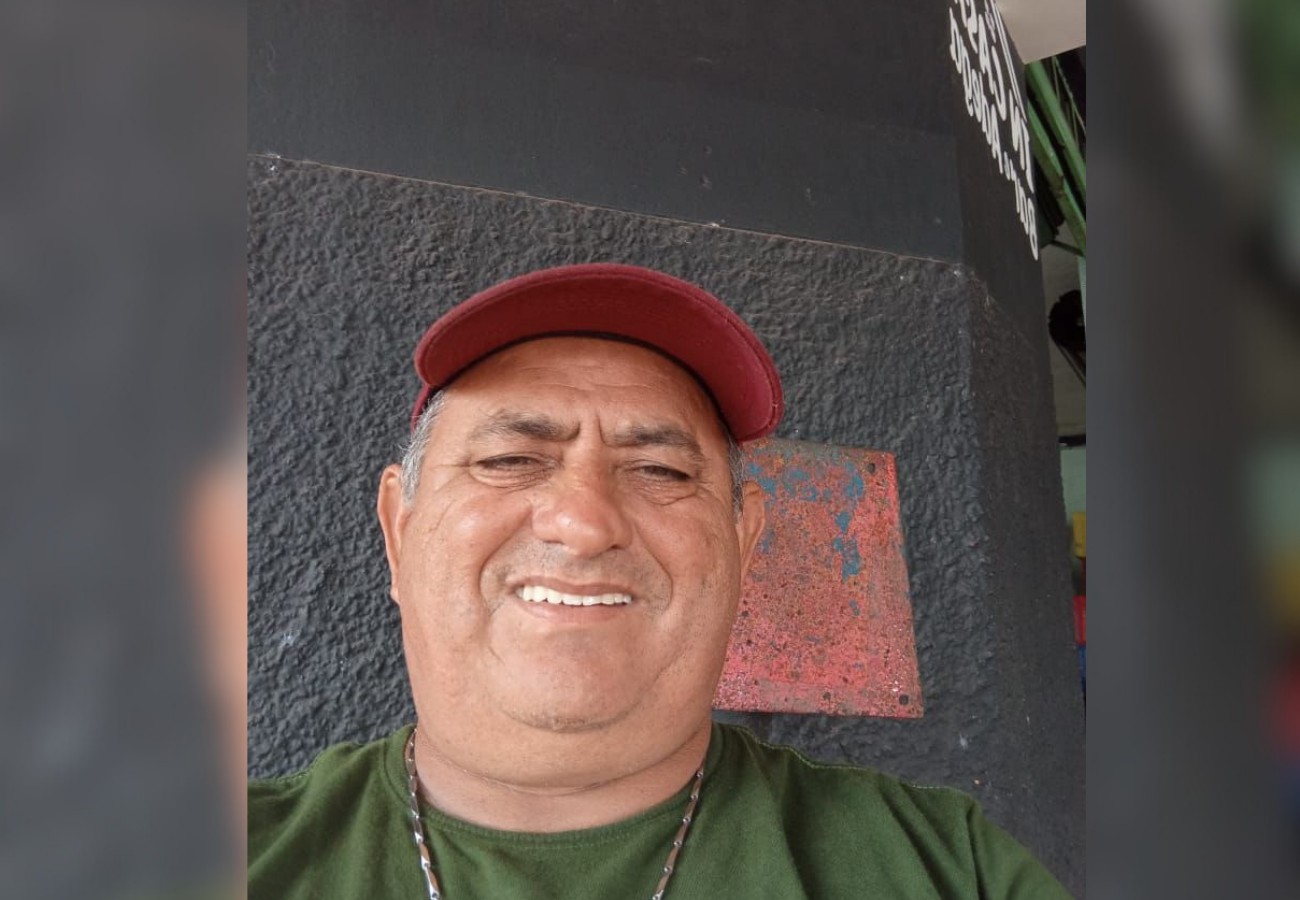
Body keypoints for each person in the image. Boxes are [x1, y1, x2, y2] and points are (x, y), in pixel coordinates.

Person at [248, 263, 1071, 899]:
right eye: (511, 459)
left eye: (660, 470)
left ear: (743, 543)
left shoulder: (947, 872)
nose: (584, 520)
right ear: (399, 530)